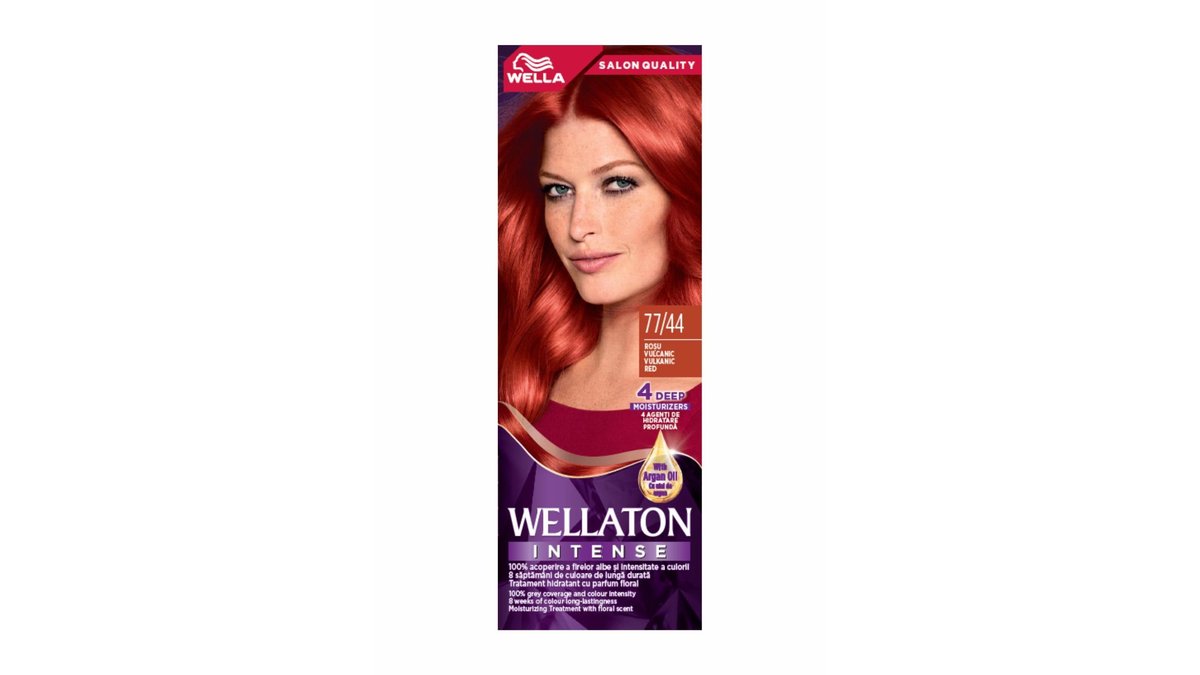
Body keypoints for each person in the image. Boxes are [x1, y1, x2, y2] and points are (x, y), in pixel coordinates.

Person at [498, 46, 702, 470]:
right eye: (558, 190)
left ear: (686, 188)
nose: (578, 227)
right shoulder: (518, 371)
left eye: (618, 184)